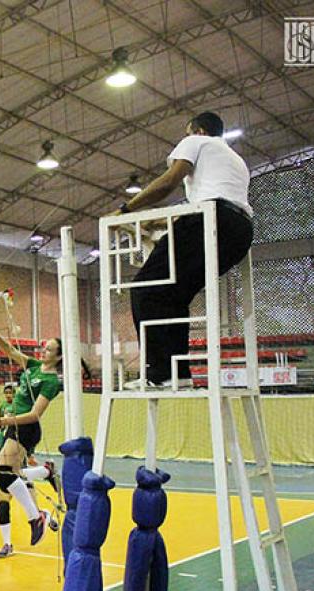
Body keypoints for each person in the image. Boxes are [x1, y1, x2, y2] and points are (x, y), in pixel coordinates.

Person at [116, 111, 254, 389]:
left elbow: (168, 182)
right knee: (174, 296)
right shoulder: (236, 161)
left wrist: (125, 210)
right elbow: (211, 199)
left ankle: (159, 373)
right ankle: (178, 373)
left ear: (198, 130)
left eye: (187, 131)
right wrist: (163, 225)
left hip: (210, 219)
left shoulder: (197, 142)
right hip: (240, 231)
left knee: (144, 288)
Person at [0, 330, 62, 551]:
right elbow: (10, 351)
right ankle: (46, 471)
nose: (44, 351)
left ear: (58, 357)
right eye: (44, 347)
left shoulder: (51, 382)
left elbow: (35, 414)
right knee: (10, 475)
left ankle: (36, 518)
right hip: (14, 427)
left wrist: (1, 421)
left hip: (26, 428)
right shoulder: (34, 366)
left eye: (49, 350)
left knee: (1, 473)